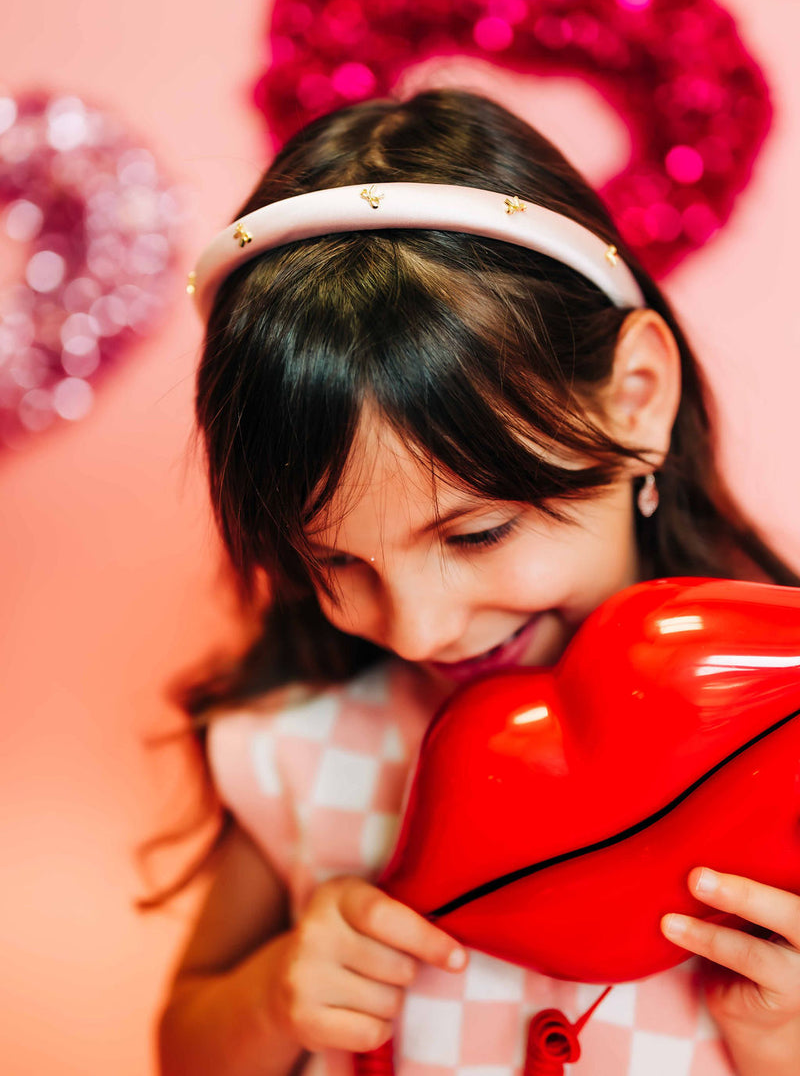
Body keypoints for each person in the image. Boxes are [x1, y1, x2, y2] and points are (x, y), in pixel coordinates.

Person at [153, 89, 800, 1076]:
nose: (419, 631)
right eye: (336, 562)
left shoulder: (782, 737)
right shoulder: (312, 742)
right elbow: (184, 1049)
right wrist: (283, 986)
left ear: (635, 400)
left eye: (477, 532)